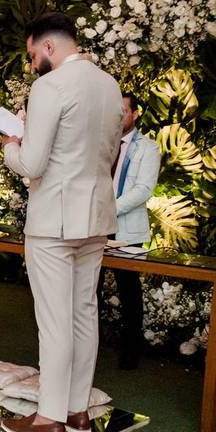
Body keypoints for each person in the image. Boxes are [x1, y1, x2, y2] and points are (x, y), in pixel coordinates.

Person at [0, 12, 124, 432]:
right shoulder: (110, 86)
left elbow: (33, 164)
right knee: (83, 315)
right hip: (96, 216)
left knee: (55, 321)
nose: (33, 63)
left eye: (33, 54)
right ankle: (77, 414)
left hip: (54, 219)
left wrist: (10, 146)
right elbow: (108, 153)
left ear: (48, 46)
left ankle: (49, 420)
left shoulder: (49, 87)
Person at [100, 92, 161, 370]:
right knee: (90, 288)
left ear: (135, 114)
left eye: (123, 111)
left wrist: (108, 208)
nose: (118, 116)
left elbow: (144, 190)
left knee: (129, 290)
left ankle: (131, 352)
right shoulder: (102, 144)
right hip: (96, 226)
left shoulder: (148, 148)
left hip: (127, 229)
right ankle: (90, 347)